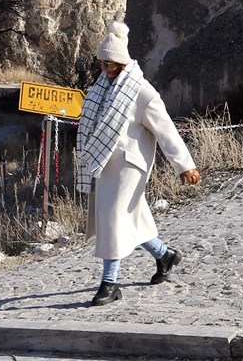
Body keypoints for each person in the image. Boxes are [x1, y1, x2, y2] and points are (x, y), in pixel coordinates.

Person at [77, 22, 202, 307]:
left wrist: (184, 165)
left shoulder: (142, 91)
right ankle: (165, 255)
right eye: (101, 63)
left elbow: (166, 129)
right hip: (105, 165)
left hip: (130, 167)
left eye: (109, 63)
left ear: (122, 61)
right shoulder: (101, 87)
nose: (105, 68)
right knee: (131, 218)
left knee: (113, 219)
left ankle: (110, 283)